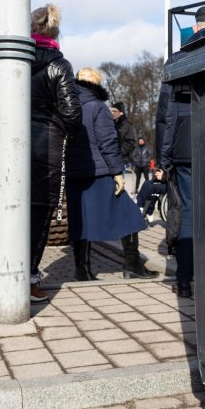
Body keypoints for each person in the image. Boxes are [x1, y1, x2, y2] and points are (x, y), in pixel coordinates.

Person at [157, 5, 205, 299]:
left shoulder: (177, 60)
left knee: (188, 211)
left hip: (186, 147)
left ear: (196, 28)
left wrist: (164, 159)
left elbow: (165, 115)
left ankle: (185, 280)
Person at [66, 68, 157, 281]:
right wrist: (117, 172)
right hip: (98, 171)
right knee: (131, 215)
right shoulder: (98, 107)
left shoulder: (66, 106)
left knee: (81, 221)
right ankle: (132, 265)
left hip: (74, 173)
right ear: (96, 85)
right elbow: (107, 143)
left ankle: (82, 270)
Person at [29, 3, 82, 301]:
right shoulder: (59, 64)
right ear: (56, 32)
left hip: (15, 145)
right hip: (47, 145)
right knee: (40, 214)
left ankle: (11, 272)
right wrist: (67, 135)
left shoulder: (15, 60)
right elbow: (72, 112)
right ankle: (31, 279)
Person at [110, 101, 136, 171]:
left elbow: (131, 143)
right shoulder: (111, 124)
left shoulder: (128, 125)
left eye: (115, 111)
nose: (112, 113)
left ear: (121, 112)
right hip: (110, 159)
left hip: (121, 160)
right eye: (111, 111)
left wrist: (119, 153)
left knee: (119, 181)